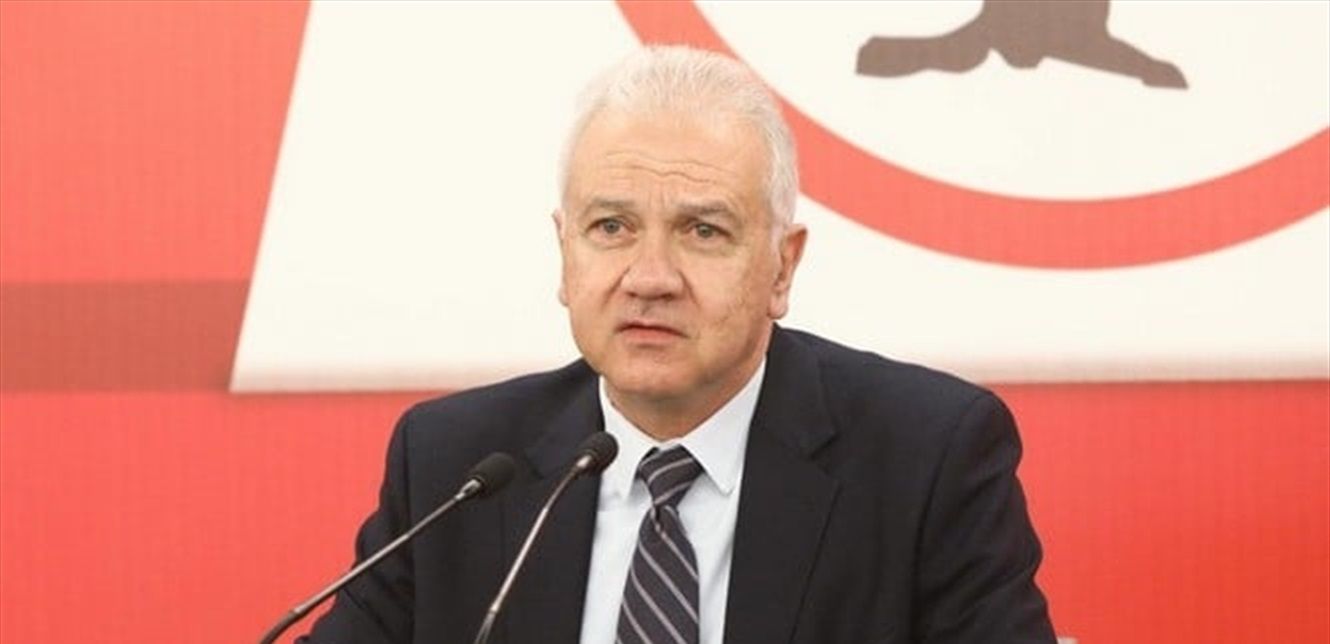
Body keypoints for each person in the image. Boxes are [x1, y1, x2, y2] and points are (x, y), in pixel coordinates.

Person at [301, 45, 1055, 644]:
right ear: (565, 254)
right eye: (612, 228)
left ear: (782, 267)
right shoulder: (457, 466)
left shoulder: (926, 459)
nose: (650, 278)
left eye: (703, 231)